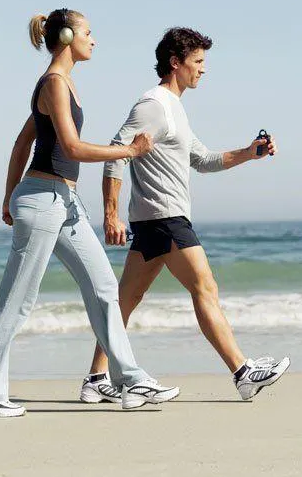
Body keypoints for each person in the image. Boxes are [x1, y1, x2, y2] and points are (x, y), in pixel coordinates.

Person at [0, 8, 179, 415]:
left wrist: (9, 195)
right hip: (44, 199)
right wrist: (129, 151)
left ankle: (130, 381)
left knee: (103, 289)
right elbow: (73, 147)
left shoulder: (65, 85)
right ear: (66, 36)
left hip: (64, 203)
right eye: (88, 32)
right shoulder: (54, 84)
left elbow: (22, 143)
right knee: (17, 300)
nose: (94, 40)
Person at [82, 27, 290, 402]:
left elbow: (202, 160)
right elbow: (116, 152)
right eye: (197, 62)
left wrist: (248, 152)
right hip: (165, 217)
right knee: (205, 288)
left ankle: (96, 377)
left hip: (153, 219)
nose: (203, 70)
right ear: (175, 63)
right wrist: (110, 215)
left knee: (123, 302)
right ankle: (242, 371)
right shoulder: (154, 105)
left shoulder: (174, 107)